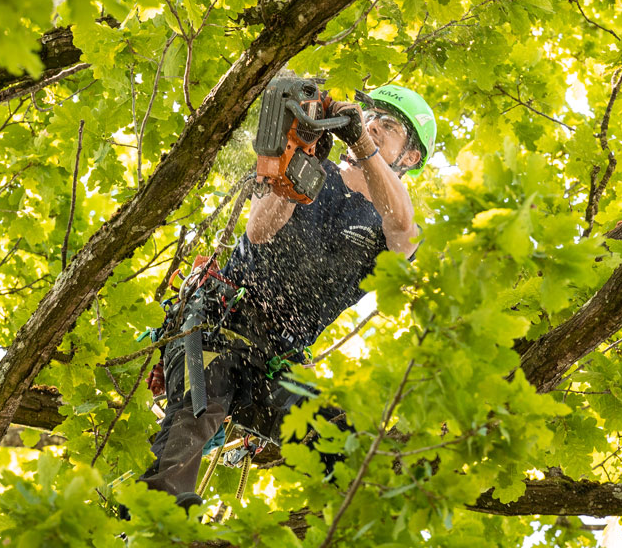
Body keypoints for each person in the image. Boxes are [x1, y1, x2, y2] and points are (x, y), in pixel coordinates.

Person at [136, 84, 437, 511]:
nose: (372, 126)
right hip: (220, 324)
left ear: (409, 158)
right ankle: (155, 522)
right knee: (193, 419)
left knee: (345, 439)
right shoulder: (310, 170)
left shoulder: (392, 221)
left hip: (276, 361)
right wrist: (300, 164)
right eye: (371, 118)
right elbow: (259, 231)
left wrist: (361, 140)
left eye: (387, 126)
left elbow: (402, 226)